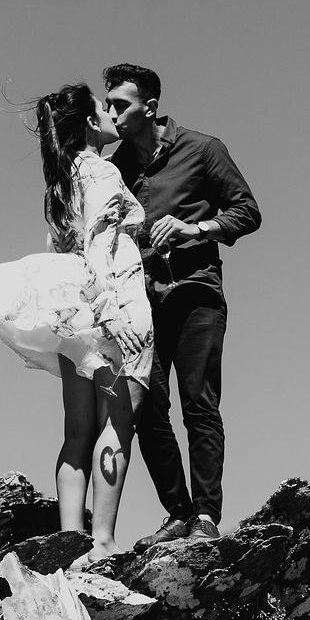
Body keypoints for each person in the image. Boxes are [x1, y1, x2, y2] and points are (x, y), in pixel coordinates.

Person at [0, 83, 155, 557]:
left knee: (76, 432)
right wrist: (113, 310)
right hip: (115, 302)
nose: (110, 114)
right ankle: (103, 540)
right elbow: (101, 240)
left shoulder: (61, 181)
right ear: (88, 122)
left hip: (71, 313)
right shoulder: (102, 171)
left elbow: (63, 247)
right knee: (117, 424)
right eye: (103, 109)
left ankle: (71, 541)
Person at [99, 63, 260, 544]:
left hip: (197, 294)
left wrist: (196, 229)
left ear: (149, 108)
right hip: (141, 304)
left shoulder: (204, 148)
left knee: (199, 404)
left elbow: (247, 212)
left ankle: (207, 517)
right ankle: (177, 514)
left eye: (120, 104)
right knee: (147, 410)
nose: (111, 113)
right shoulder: (114, 168)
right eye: (107, 104)